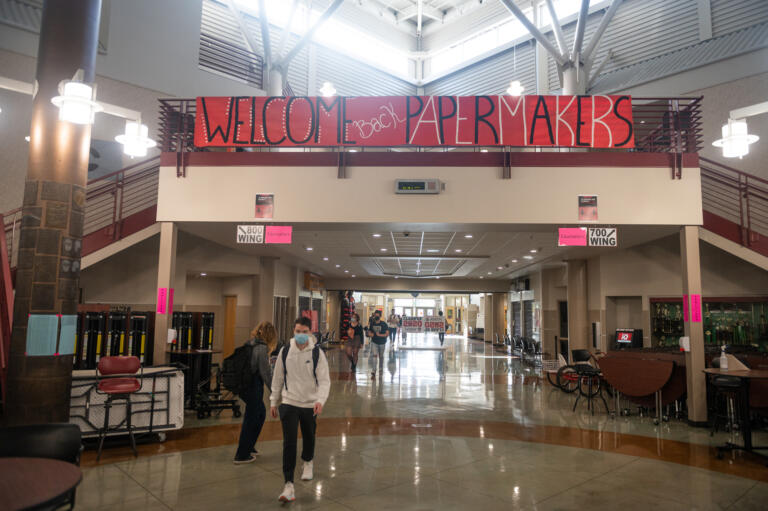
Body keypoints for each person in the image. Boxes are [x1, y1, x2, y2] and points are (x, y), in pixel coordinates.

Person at [270, 317, 331, 503]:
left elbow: (324, 380)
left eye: (304, 332)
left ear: (310, 333)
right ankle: (288, 485)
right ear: (293, 331)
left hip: (310, 403)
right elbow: (278, 377)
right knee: (289, 442)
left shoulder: (317, 353)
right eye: (298, 331)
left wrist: (320, 400)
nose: (301, 335)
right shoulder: (285, 351)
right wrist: (274, 400)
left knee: (309, 434)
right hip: (289, 402)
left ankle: (308, 461)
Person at [233, 321, 277, 464]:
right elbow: (266, 374)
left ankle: (249, 446)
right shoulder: (261, 348)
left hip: (245, 386)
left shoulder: (250, 343)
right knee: (252, 418)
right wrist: (275, 392)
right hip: (253, 386)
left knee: (259, 414)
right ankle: (242, 454)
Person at [367, 310, 389, 378]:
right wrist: (370, 334)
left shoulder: (384, 324)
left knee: (381, 356)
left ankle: (380, 368)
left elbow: (387, 334)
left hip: (382, 343)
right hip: (374, 342)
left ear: (380, 316)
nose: (376, 316)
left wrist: (379, 335)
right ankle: (373, 370)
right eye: (375, 315)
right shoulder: (372, 324)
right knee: (374, 356)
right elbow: (369, 332)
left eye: (377, 315)